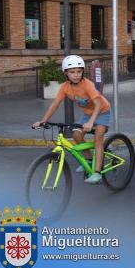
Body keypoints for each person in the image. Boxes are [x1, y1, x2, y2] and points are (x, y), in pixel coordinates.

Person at [32, 55, 110, 184]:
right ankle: (89, 159)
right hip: (87, 113)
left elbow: (98, 104)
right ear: (66, 73)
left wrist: (91, 122)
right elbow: (55, 104)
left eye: (79, 71)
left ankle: (97, 173)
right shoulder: (65, 87)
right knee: (76, 135)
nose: (76, 75)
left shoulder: (88, 85)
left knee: (98, 138)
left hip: (102, 111)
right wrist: (43, 121)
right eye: (72, 72)